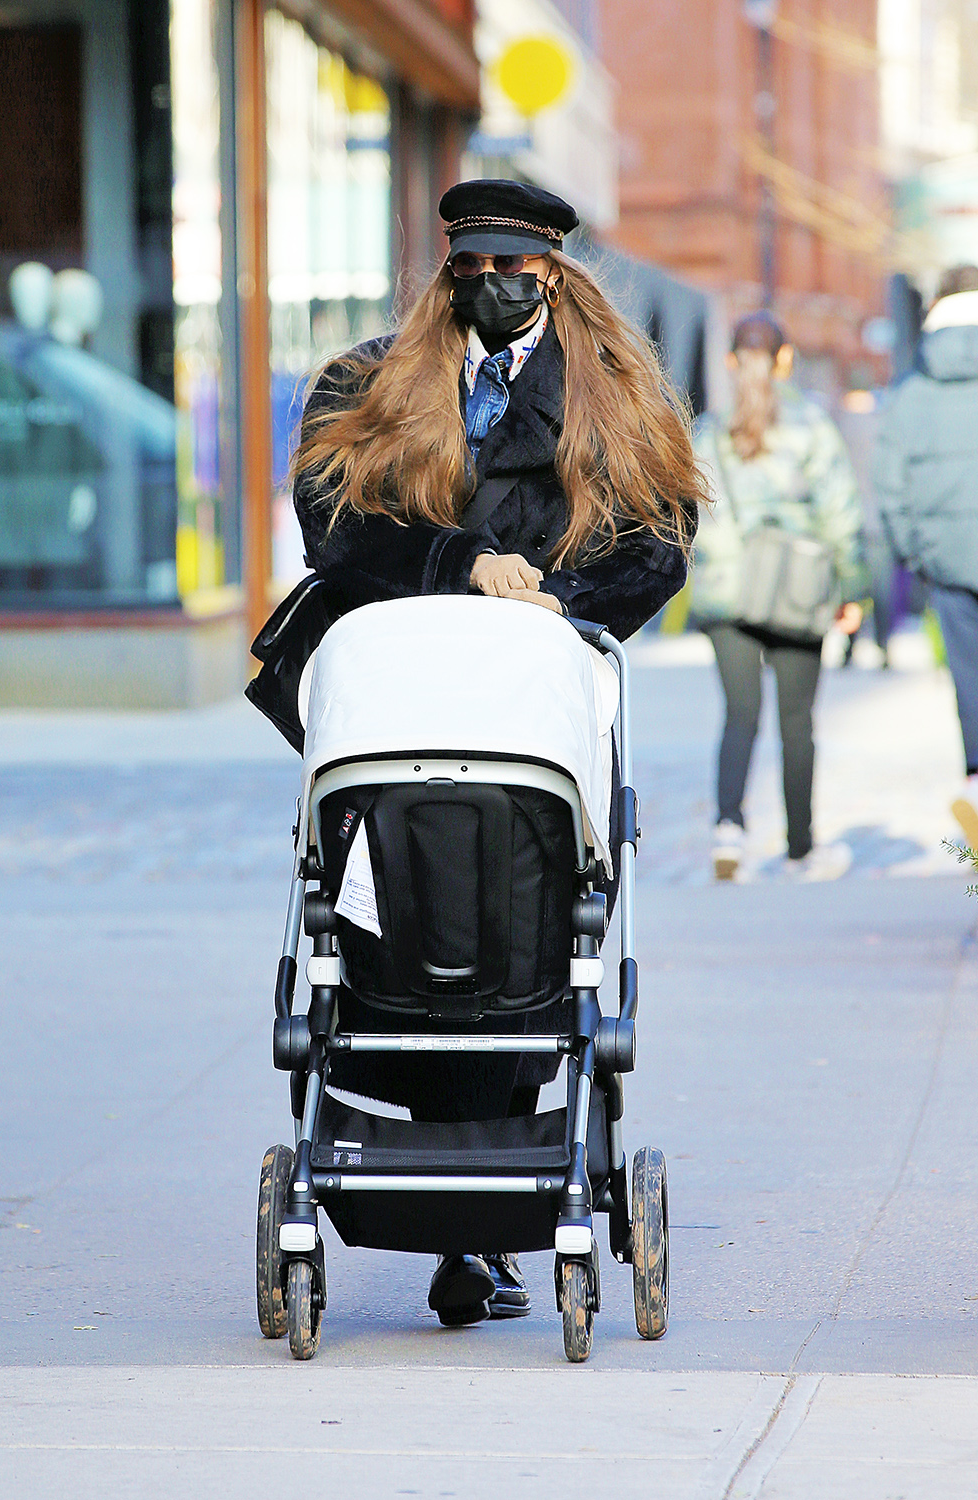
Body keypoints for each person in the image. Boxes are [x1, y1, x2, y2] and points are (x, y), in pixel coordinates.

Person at [291, 178, 705, 1325]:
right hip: (401, 706)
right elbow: (334, 521)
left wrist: (557, 603)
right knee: (397, 931)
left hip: (533, 707)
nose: (488, 288)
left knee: (525, 929)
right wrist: (462, 562)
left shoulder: (612, 392)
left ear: (554, 271)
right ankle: (453, 1208)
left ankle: (488, 1220)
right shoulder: (367, 381)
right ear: (447, 269)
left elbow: (659, 542)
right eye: (467, 268)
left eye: (510, 269)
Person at [691, 313, 865, 882]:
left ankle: (729, 831)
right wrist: (852, 587)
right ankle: (799, 850)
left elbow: (689, 515)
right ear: (786, 359)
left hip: (727, 594)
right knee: (797, 722)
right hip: (798, 589)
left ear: (730, 360)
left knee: (738, 717)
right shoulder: (813, 426)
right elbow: (841, 511)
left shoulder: (709, 431)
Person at [874, 265, 978, 851]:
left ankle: (977, 782)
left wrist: (915, 550)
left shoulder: (914, 388)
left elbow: (890, 483)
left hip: (946, 560)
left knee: (970, 680)